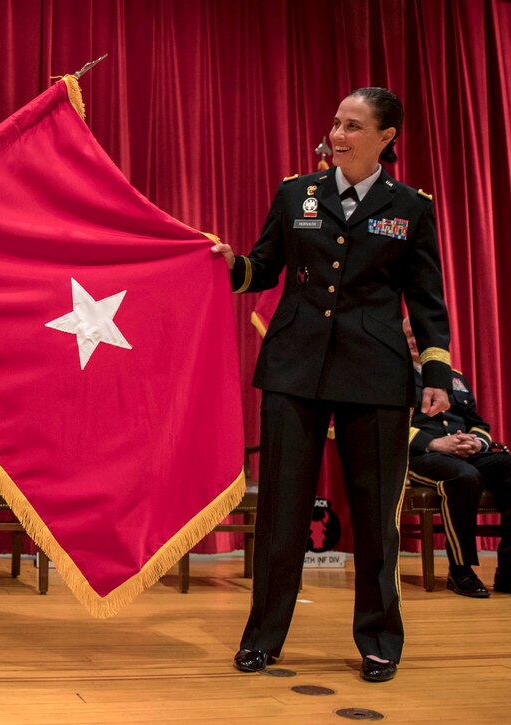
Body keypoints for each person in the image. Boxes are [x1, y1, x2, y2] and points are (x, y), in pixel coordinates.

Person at [211, 88, 452, 683]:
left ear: (386, 137)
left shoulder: (412, 208)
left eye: (353, 125)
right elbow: (262, 268)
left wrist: (438, 376)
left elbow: (426, 301)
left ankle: (378, 642)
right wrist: (226, 262)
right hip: (295, 368)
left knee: (375, 517)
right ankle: (263, 638)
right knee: (281, 513)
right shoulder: (297, 193)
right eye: (336, 123)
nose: (338, 135)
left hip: (375, 374)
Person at [404, 318, 511, 597]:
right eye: (409, 336)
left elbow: (479, 424)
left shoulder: (453, 377)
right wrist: (435, 443)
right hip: (420, 455)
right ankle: (461, 571)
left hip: (463, 452)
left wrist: (476, 442)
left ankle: (509, 572)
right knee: (464, 477)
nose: (416, 341)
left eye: (421, 334)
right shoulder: (393, 375)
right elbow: (389, 428)